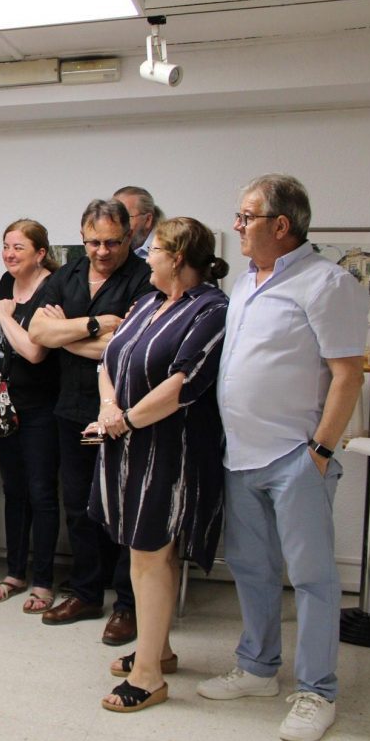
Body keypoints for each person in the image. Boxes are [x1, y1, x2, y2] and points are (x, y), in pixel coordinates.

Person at [198, 174, 366, 741]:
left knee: (313, 579)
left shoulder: (327, 282)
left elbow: (348, 375)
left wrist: (320, 451)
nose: (237, 225)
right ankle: (257, 668)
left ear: (281, 225)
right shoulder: (246, 282)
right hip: (240, 454)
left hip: (295, 456)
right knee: (252, 569)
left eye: (246, 217)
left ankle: (318, 691)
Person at [84, 217, 230, 713]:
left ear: (180, 258)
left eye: (156, 249)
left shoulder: (211, 309)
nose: (147, 256)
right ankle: (158, 649)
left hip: (170, 447)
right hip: (126, 440)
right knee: (143, 552)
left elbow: (184, 384)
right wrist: (110, 408)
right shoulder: (148, 302)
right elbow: (109, 359)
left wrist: (125, 419)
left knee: (150, 553)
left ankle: (147, 676)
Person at [28, 199, 155, 642]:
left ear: (129, 236)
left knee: (122, 508)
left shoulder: (144, 278)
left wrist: (67, 335)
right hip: (74, 413)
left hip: (121, 415)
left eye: (112, 242)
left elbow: (132, 346)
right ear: (83, 237)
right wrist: (98, 325)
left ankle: (128, 605)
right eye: (94, 242)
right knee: (80, 506)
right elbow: (38, 332)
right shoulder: (68, 275)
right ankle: (86, 592)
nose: (102, 251)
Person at [0, 220, 61, 613]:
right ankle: (15, 572)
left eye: (19, 247)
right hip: (4, 405)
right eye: (6, 246)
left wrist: (3, 315)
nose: (9, 254)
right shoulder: (4, 283)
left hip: (42, 406)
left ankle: (43, 581)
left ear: (40, 253)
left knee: (42, 493)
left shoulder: (53, 288)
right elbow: (2, 337)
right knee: (13, 491)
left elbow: (34, 351)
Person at [112, 186, 164, 260]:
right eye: (112, 217)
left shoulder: (166, 252)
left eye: (125, 217)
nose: (116, 225)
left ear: (148, 220)